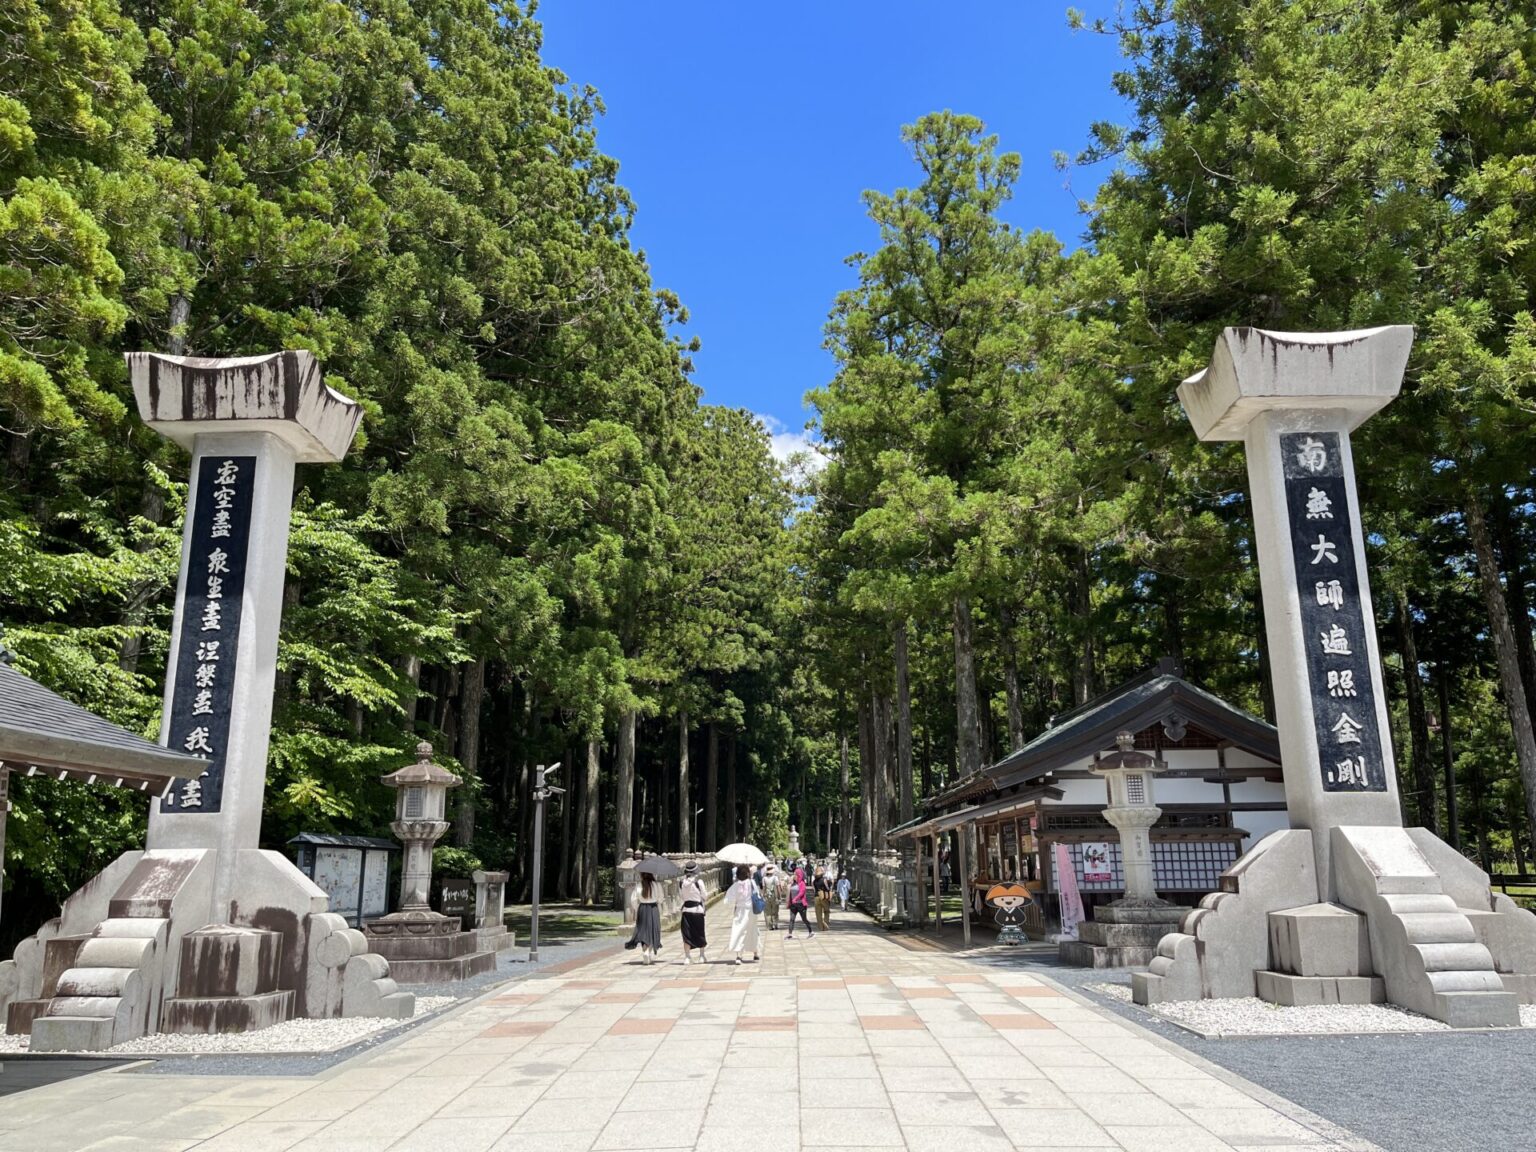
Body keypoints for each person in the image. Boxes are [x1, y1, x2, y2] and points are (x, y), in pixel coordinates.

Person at [724, 863, 761, 963]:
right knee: (752, 930)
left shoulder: (736, 885)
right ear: (748, 873)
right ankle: (755, 952)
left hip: (740, 910)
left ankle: (739, 955)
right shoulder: (752, 883)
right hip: (751, 911)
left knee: (739, 931)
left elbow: (728, 899)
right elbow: (757, 894)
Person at [624, 871, 662, 964]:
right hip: (653, 908)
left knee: (643, 930)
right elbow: (661, 898)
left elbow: (633, 899)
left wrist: (638, 908)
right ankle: (648, 952)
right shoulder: (656, 885)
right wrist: (657, 903)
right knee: (652, 930)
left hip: (642, 908)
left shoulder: (639, 885)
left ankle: (645, 950)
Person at [679, 859, 708, 964]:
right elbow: (705, 896)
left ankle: (687, 957)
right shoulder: (699, 882)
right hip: (697, 910)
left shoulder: (681, 882)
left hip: (686, 910)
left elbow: (682, 897)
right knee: (700, 933)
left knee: (686, 935)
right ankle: (701, 956)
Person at [785, 864, 812, 939]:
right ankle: (790, 934)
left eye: (795, 874)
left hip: (801, 904)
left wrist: (795, 899)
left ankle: (810, 931)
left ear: (799, 875)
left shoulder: (802, 883)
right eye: (794, 874)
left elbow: (801, 893)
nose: (794, 875)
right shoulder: (793, 883)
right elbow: (789, 892)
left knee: (804, 919)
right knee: (791, 919)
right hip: (793, 905)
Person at [760, 863, 782, 931]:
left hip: (766, 896)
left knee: (767, 911)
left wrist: (762, 896)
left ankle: (769, 925)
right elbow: (778, 887)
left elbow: (763, 888)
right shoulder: (775, 878)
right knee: (775, 911)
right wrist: (779, 896)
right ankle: (775, 924)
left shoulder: (764, 878)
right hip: (774, 895)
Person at [813, 864, 833, 931]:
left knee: (818, 914)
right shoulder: (824, 880)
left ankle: (821, 928)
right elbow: (827, 888)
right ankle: (825, 925)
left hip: (816, 897)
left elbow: (814, 889)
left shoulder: (814, 881)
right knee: (826, 911)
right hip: (823, 896)